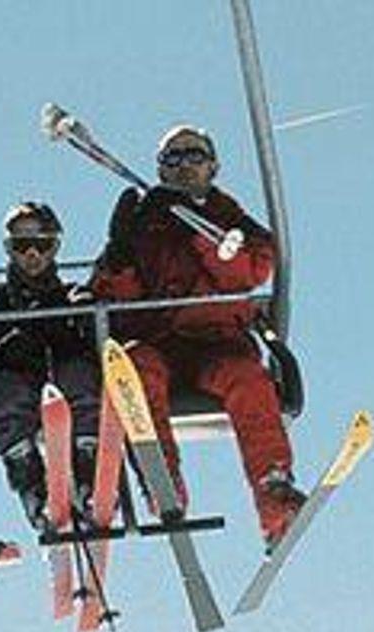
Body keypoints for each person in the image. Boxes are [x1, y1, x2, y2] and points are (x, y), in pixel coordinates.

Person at [89, 125, 302, 546]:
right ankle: (162, 480)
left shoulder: (229, 220)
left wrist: (199, 230)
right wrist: (120, 253)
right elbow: (114, 295)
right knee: (136, 370)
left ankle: (273, 491)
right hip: (161, 340)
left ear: (213, 166)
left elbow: (250, 271)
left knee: (248, 380)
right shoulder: (147, 222)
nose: (185, 165)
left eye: (194, 156)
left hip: (216, 342)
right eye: (174, 158)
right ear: (161, 169)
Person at [0, 200, 102, 534]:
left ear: (55, 247)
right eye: (22, 245)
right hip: (18, 381)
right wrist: (1, 348)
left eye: (42, 244)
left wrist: (78, 325)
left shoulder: (72, 296)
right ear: (9, 249)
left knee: (79, 377)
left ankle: (88, 469)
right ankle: (30, 480)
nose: (32, 254)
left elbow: (96, 341)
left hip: (63, 377)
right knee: (3, 393)